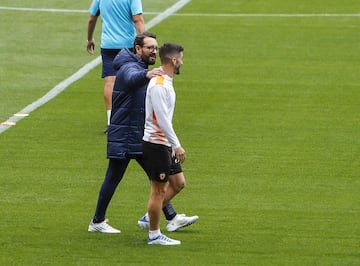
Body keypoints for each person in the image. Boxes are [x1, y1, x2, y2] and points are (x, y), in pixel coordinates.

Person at [88, 33, 198, 234]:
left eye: (155, 48)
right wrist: (146, 75)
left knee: (155, 180)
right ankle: (100, 221)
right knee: (121, 178)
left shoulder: (138, 66)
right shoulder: (130, 67)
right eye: (149, 48)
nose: (153, 51)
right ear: (138, 49)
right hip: (127, 135)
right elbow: (130, 78)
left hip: (137, 134)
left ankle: (168, 217)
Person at [142, 42, 189, 245]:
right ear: (173, 60)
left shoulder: (165, 81)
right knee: (158, 191)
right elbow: (161, 119)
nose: (182, 62)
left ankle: (148, 218)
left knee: (178, 183)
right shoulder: (160, 86)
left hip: (163, 144)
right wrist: (176, 145)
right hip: (156, 144)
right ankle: (154, 234)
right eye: (181, 59)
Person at [86, 0, 145, 130]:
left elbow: (92, 18)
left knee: (110, 82)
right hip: (128, 45)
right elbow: (138, 20)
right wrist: (143, 42)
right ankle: (132, 117)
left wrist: (89, 39)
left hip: (108, 45)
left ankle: (111, 121)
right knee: (132, 79)